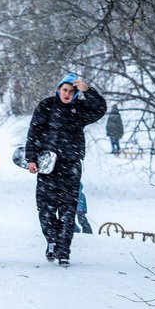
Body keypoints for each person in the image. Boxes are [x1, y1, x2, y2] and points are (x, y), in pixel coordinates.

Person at [26, 73, 106, 267]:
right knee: (45, 208)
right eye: (65, 90)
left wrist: (89, 91)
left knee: (68, 210)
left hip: (71, 165)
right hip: (47, 165)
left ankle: (64, 250)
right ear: (58, 89)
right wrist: (31, 158)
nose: (68, 94)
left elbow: (100, 109)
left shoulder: (79, 109)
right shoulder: (46, 106)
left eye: (72, 91)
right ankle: (52, 241)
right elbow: (34, 131)